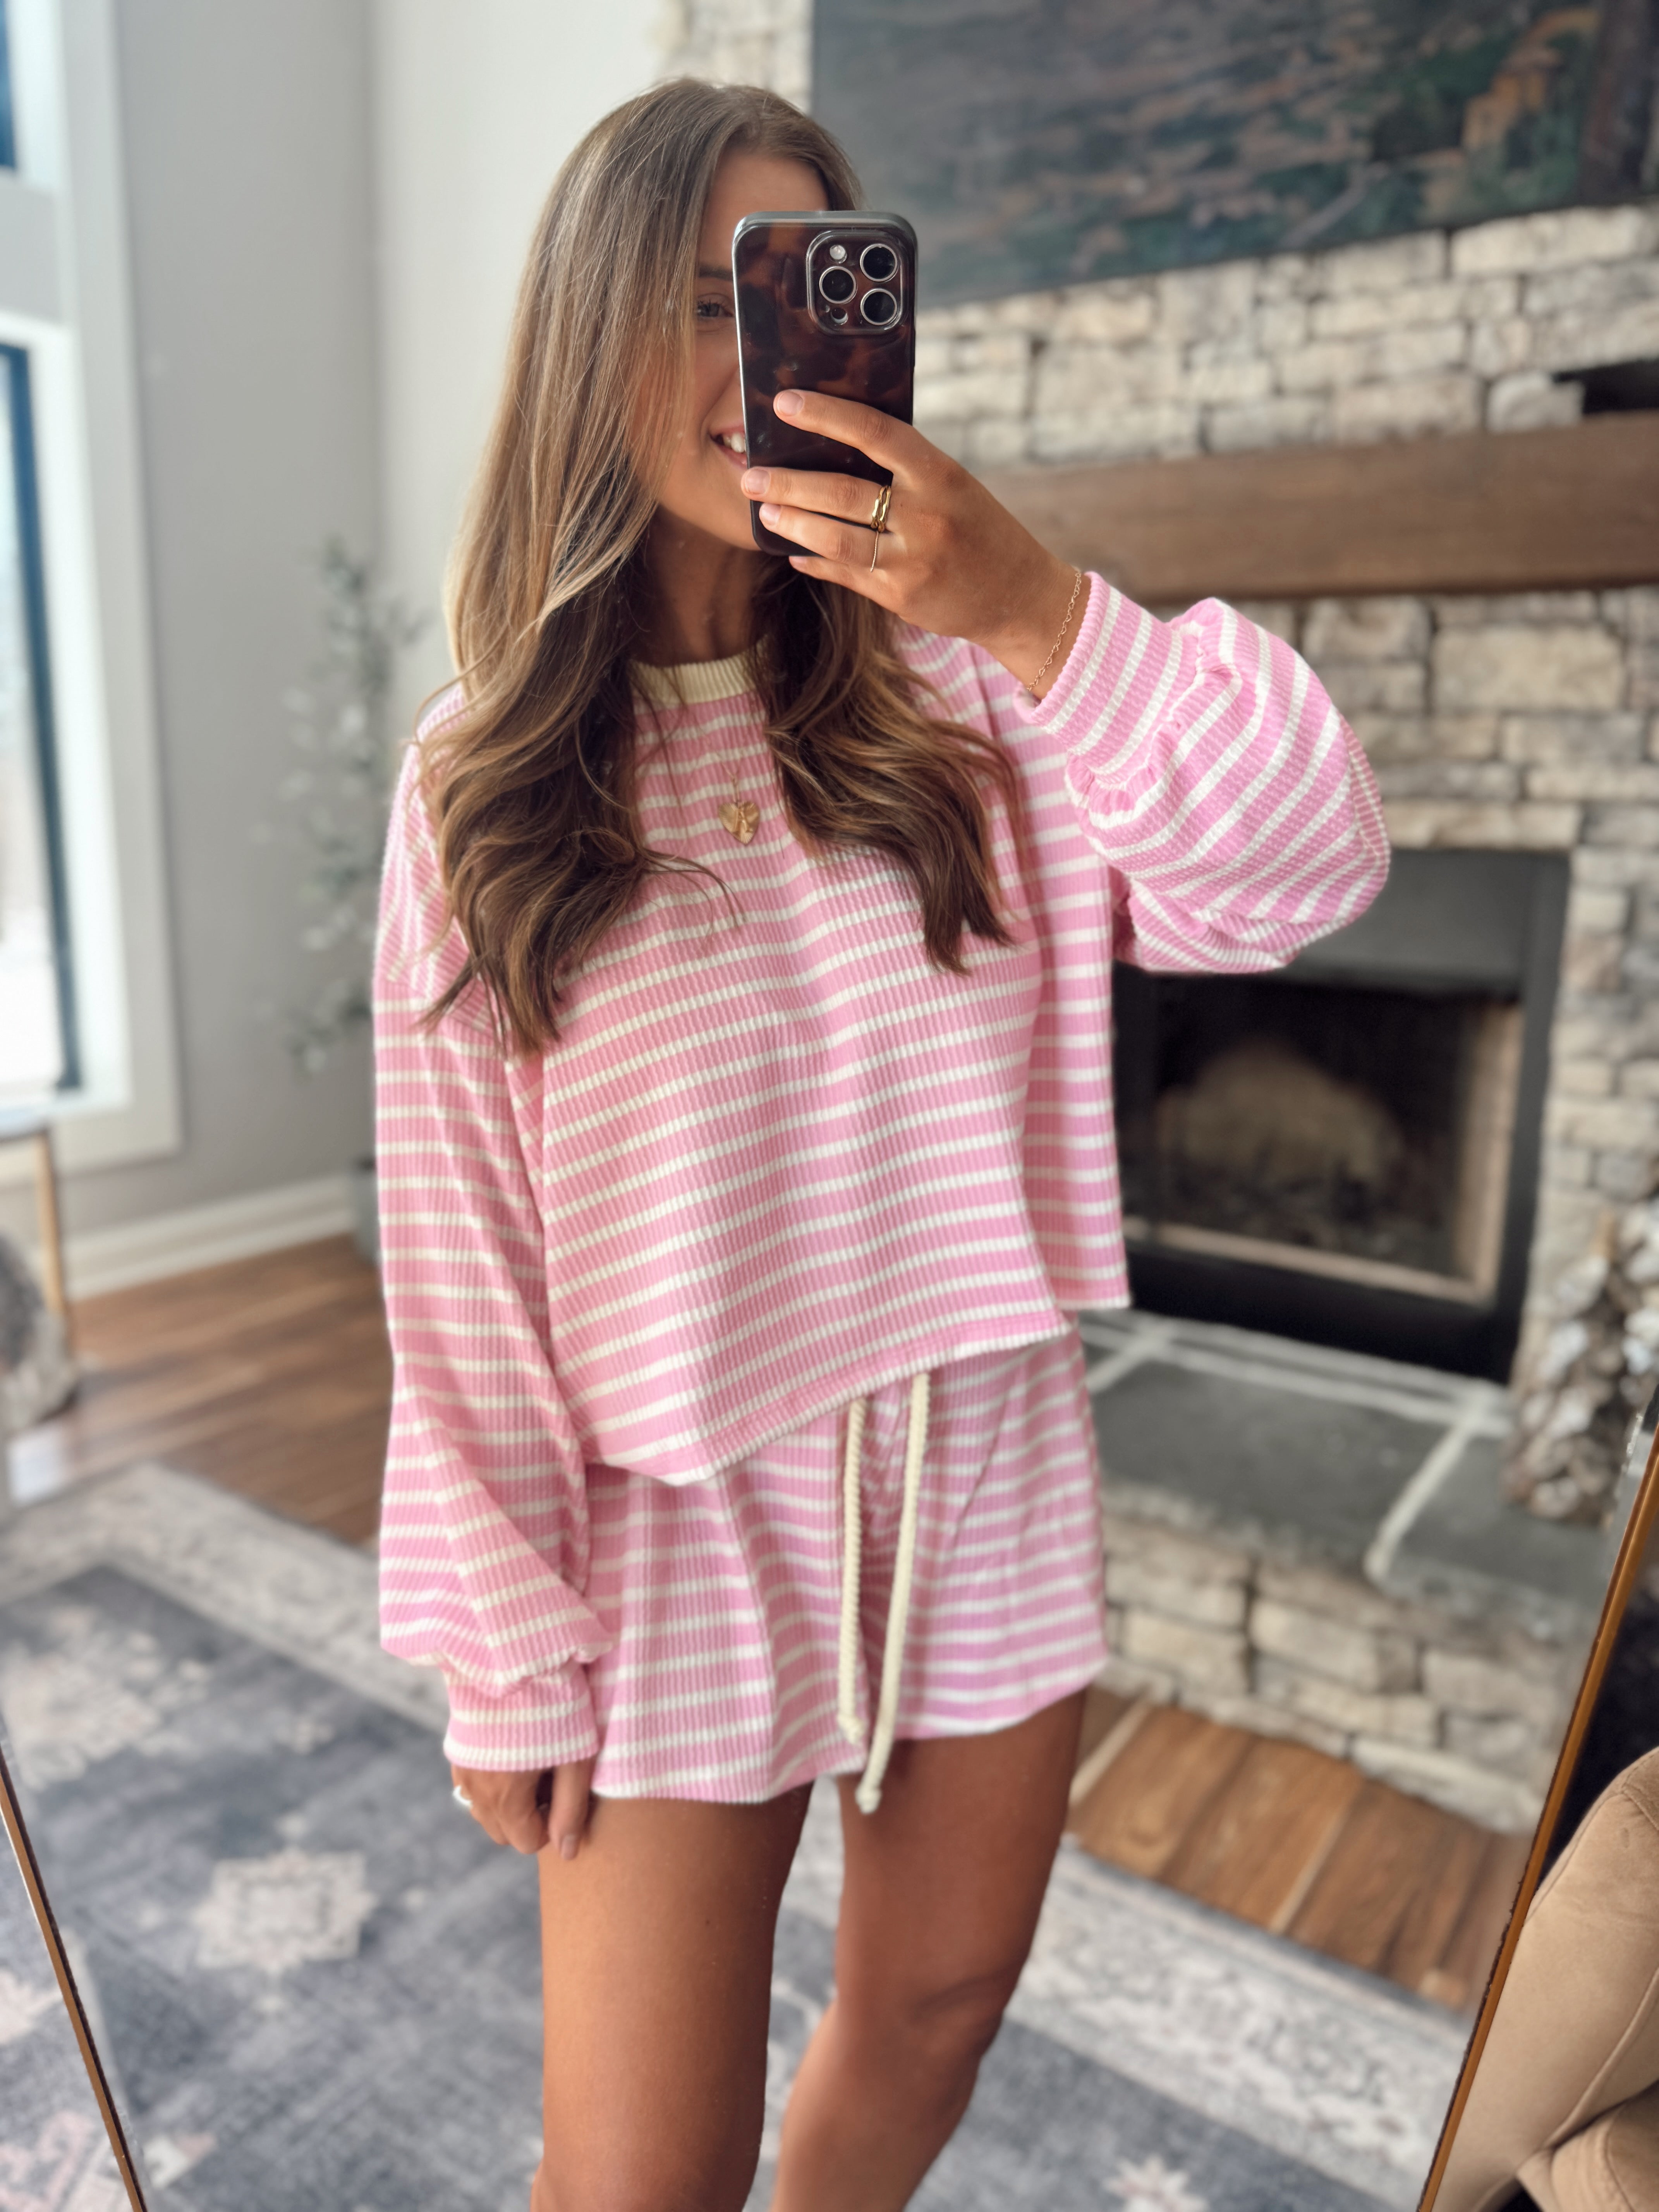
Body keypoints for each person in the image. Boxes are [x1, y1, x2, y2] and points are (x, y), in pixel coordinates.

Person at [371, 78, 1389, 2212]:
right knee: (638, 2175)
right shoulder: (484, 784)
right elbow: (461, 1251)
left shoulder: (979, 694)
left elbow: (1306, 870)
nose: (760, 361)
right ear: (585, 336)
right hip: (675, 1519)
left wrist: (1036, 606)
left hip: (980, 1449)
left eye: (805, 295)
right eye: (705, 298)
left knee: (935, 2012)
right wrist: (505, 1642)